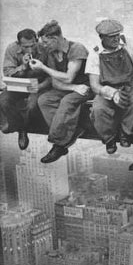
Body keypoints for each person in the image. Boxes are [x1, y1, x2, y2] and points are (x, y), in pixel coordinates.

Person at [87, 19, 133, 160]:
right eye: (111, 36)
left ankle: (126, 134)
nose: (116, 39)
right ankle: (109, 139)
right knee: (98, 109)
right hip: (108, 88)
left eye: (117, 35)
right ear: (102, 37)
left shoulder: (129, 43)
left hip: (131, 85)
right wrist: (112, 94)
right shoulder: (95, 53)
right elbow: (95, 85)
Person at [34, 20, 92, 164]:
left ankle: (59, 145)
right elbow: (55, 82)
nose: (44, 46)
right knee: (44, 100)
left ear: (55, 38)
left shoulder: (76, 49)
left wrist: (43, 68)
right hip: (72, 88)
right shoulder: (52, 53)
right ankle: (74, 131)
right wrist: (73, 88)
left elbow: (68, 77)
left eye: (46, 42)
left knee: (67, 101)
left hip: (86, 87)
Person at [0, 28, 41, 150]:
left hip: (37, 86)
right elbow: (7, 72)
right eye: (26, 47)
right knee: (3, 101)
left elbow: (49, 72)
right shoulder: (12, 49)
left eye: (32, 45)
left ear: (36, 41)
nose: (30, 50)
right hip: (17, 84)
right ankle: (17, 125)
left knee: (32, 106)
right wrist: (23, 67)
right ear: (19, 44)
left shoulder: (44, 48)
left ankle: (21, 128)